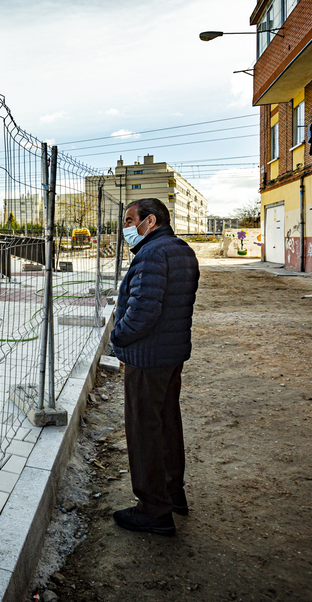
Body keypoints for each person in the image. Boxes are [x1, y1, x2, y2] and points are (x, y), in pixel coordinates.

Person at [110, 198, 200, 536]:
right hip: (170, 354)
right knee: (166, 424)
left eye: (131, 220)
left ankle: (153, 510)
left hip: (147, 358)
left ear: (150, 221)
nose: (127, 227)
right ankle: (172, 493)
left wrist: (118, 339)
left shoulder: (151, 254)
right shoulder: (181, 250)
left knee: (143, 431)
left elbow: (142, 312)